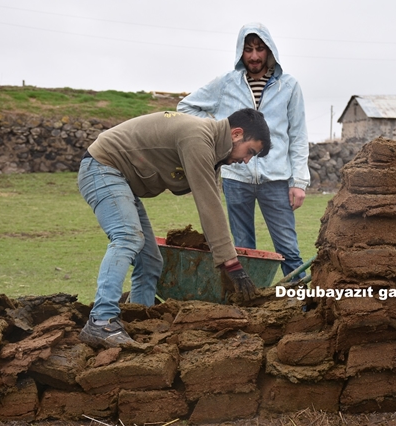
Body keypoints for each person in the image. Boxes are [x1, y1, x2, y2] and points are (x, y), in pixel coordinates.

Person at [77, 109, 271, 348]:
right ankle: (101, 321)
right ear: (236, 133)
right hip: (102, 169)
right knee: (127, 237)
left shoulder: (210, 149)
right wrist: (232, 264)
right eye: (249, 151)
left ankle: (139, 321)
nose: (247, 160)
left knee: (150, 262)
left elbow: (213, 203)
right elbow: (208, 204)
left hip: (120, 179)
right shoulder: (198, 138)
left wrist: (226, 258)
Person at [177, 22, 310, 281]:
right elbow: (186, 107)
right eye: (248, 49)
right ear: (241, 52)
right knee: (243, 249)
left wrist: (299, 182)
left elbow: (299, 136)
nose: (254, 56)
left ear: (270, 50)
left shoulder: (289, 86)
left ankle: (302, 303)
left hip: (277, 179)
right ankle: (250, 306)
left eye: (260, 48)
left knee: (288, 248)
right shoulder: (227, 83)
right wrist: (217, 134)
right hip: (235, 178)